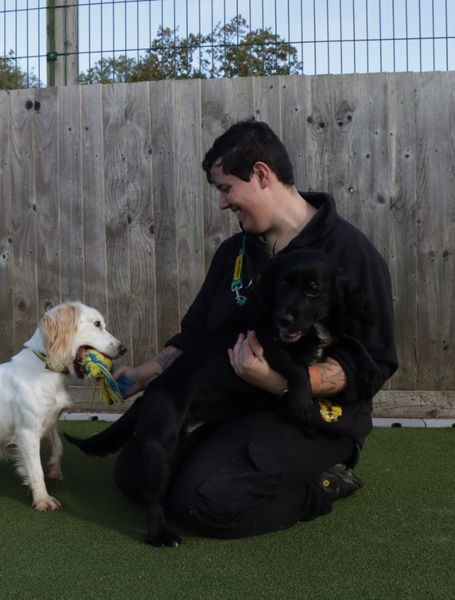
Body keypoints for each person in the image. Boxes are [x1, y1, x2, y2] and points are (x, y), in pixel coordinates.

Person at [112, 119, 398, 539]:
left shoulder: (349, 252)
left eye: (226, 188)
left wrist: (282, 382)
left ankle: (321, 485)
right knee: (134, 477)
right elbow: (197, 334)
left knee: (199, 503)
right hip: (236, 405)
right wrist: (143, 373)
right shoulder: (237, 252)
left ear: (262, 175)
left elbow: (377, 362)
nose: (222, 203)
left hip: (312, 419)